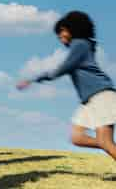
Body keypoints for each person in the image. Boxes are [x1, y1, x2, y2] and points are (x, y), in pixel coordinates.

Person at [17, 11, 116, 162]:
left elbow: (63, 68)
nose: (59, 36)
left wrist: (34, 79)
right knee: (77, 138)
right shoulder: (81, 46)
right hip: (89, 100)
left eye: (62, 31)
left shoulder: (80, 44)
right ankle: (107, 145)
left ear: (72, 28)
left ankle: (108, 145)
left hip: (101, 95)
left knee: (105, 142)